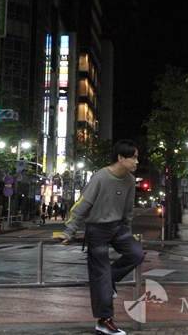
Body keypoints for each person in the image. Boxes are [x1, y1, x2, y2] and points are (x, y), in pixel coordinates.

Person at [53, 139, 145, 335]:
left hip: (118, 228)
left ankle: (108, 280)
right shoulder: (101, 177)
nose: (137, 162)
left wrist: (127, 231)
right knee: (101, 273)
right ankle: (104, 322)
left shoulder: (130, 180)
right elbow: (81, 205)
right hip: (96, 230)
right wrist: (69, 231)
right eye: (133, 157)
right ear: (121, 158)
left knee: (136, 253)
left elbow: (128, 209)